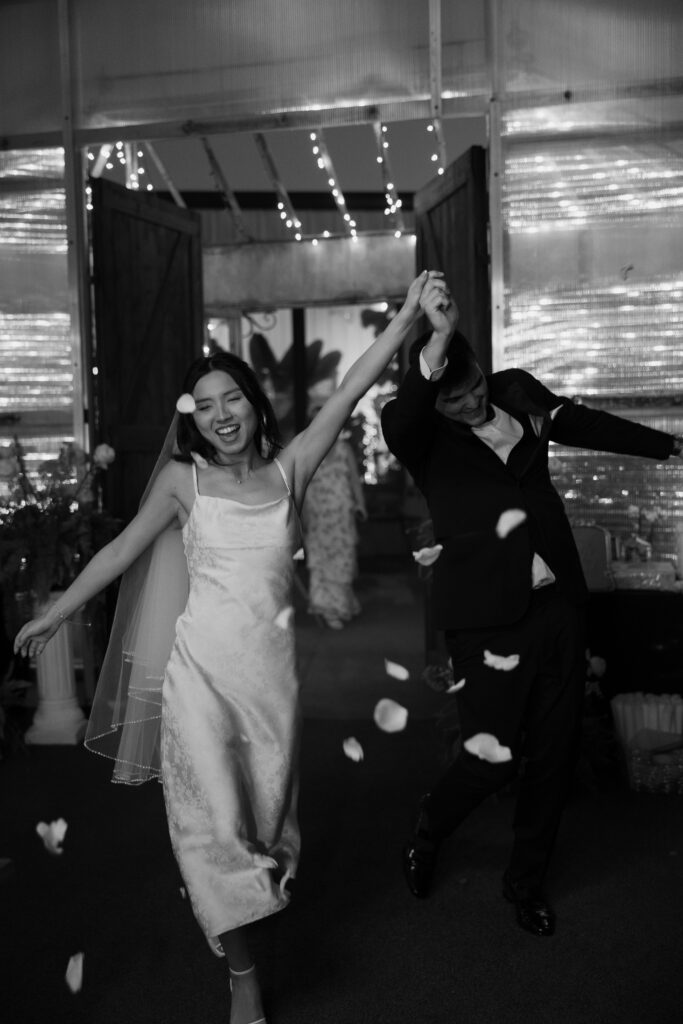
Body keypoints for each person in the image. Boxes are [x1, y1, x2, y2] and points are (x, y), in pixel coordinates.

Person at [14, 269, 437, 1024]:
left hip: (271, 683)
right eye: (204, 407)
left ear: (252, 401)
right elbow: (119, 556)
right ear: (194, 421)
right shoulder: (183, 481)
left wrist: (406, 317)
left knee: (263, 827)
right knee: (208, 826)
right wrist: (59, 610)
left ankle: (245, 906)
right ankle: (241, 973)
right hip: (198, 677)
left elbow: (350, 392)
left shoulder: (290, 467)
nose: (220, 416)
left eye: (231, 398)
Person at [381, 274, 683, 938]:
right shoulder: (420, 434)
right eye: (452, 398)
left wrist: (670, 447)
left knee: (553, 752)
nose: (469, 405)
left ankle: (525, 883)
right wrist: (432, 338)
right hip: (485, 615)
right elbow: (405, 413)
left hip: (559, 607)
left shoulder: (517, 391)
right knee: (492, 756)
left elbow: (583, 423)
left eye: (475, 390)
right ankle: (428, 831)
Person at [302, 406, 367, 629]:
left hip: (341, 515)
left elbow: (355, 481)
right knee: (321, 562)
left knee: (344, 559)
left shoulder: (343, 449)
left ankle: (342, 604)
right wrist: (304, 516)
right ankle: (328, 609)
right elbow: (303, 485)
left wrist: (361, 504)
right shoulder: (309, 451)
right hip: (318, 515)